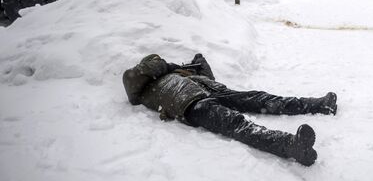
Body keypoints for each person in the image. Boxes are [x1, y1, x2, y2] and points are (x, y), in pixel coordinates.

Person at [123, 53, 337, 166]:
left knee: (263, 99)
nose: (159, 63)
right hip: (191, 105)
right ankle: (292, 146)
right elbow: (134, 77)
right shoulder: (142, 85)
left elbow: (209, 76)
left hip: (218, 92)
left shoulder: (181, 73)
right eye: (155, 61)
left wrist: (198, 62)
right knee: (239, 125)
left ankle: (319, 104)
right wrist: (167, 65)